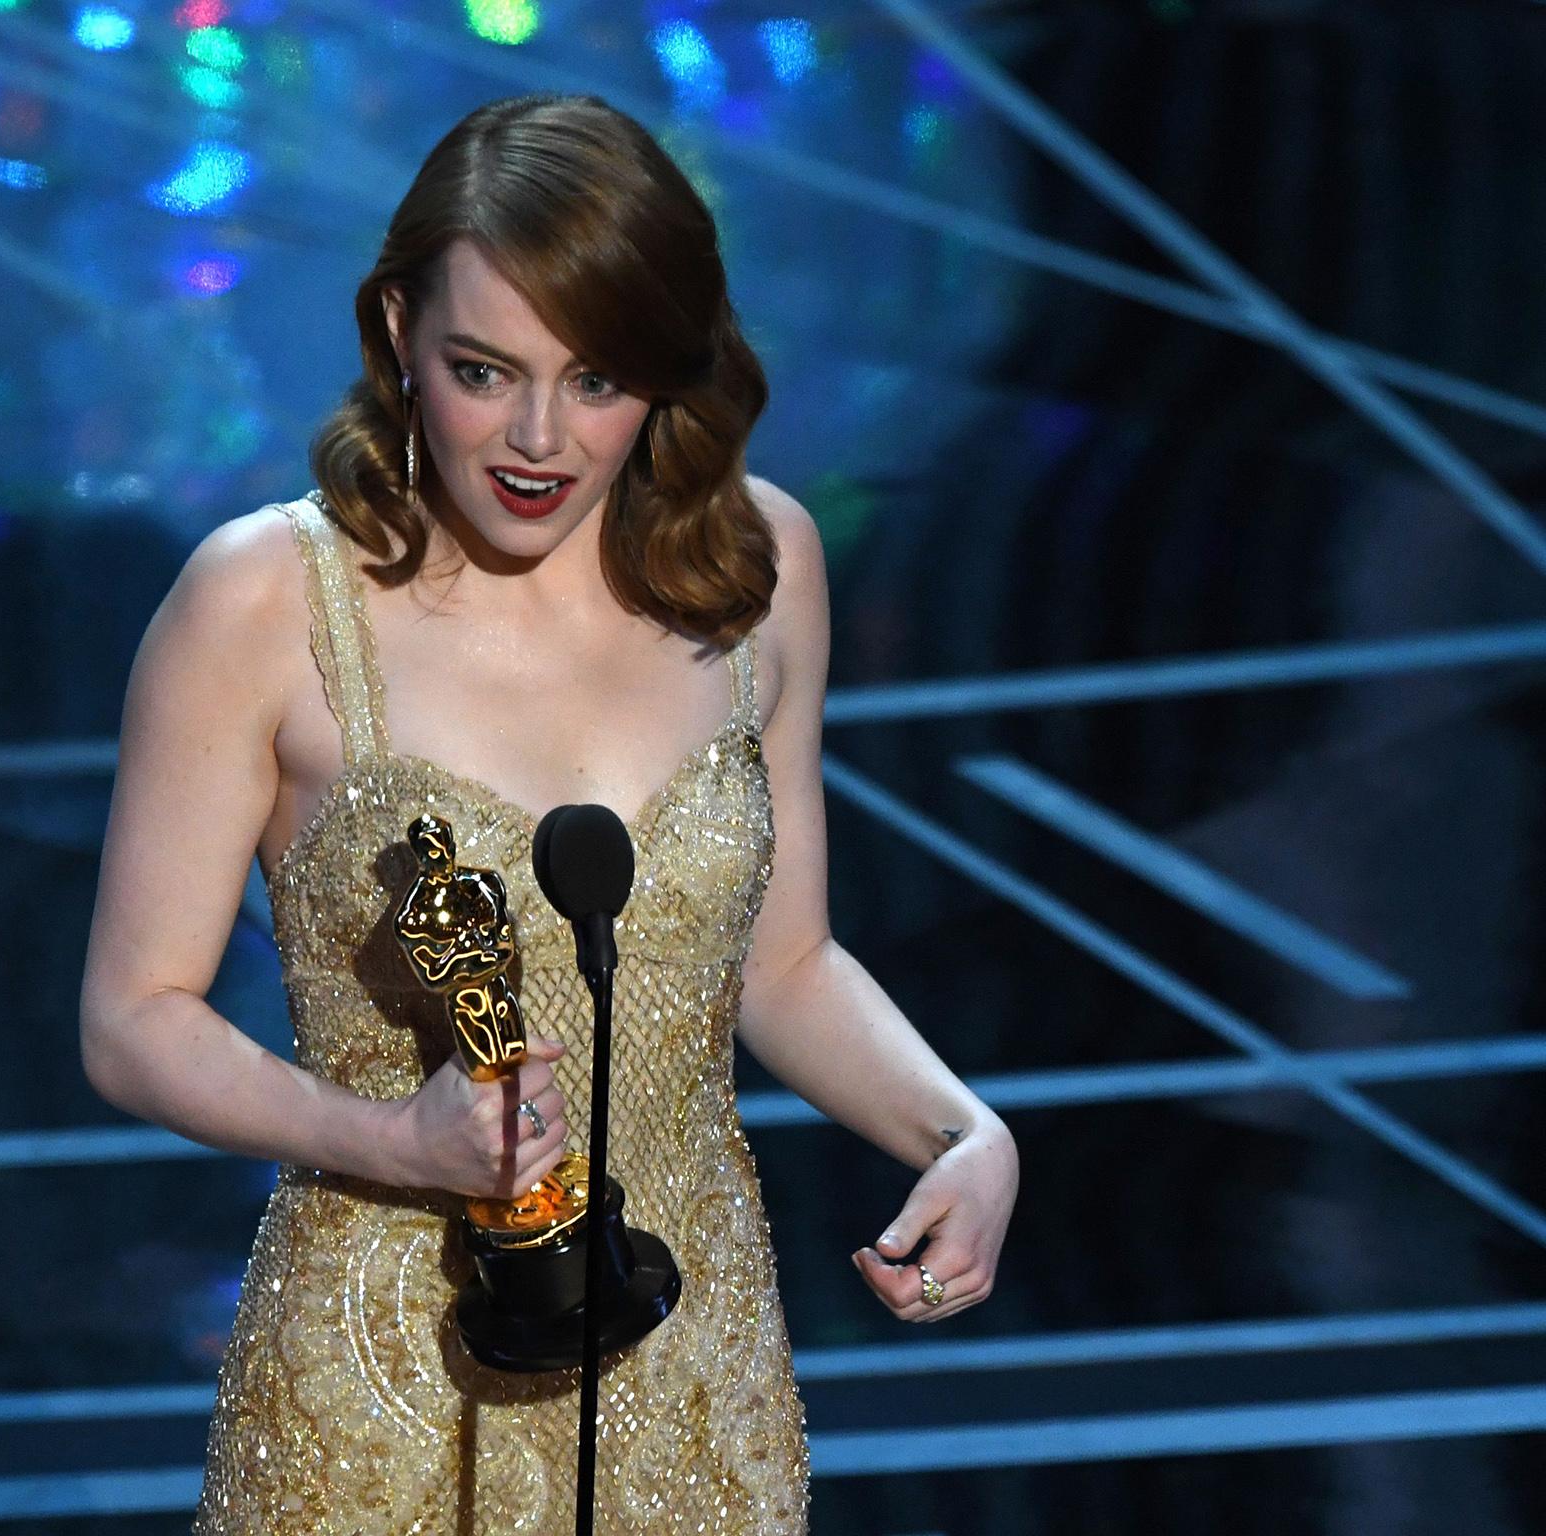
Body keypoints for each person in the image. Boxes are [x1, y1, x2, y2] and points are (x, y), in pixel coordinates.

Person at [79, 91, 1020, 1535]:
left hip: (693, 1376)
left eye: (594, 380)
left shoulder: (765, 570)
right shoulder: (263, 601)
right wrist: (393, 1140)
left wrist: (962, 1135)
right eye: (482, 370)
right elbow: (135, 1015)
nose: (537, 436)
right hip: (386, 1387)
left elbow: (782, 965)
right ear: (397, 330)